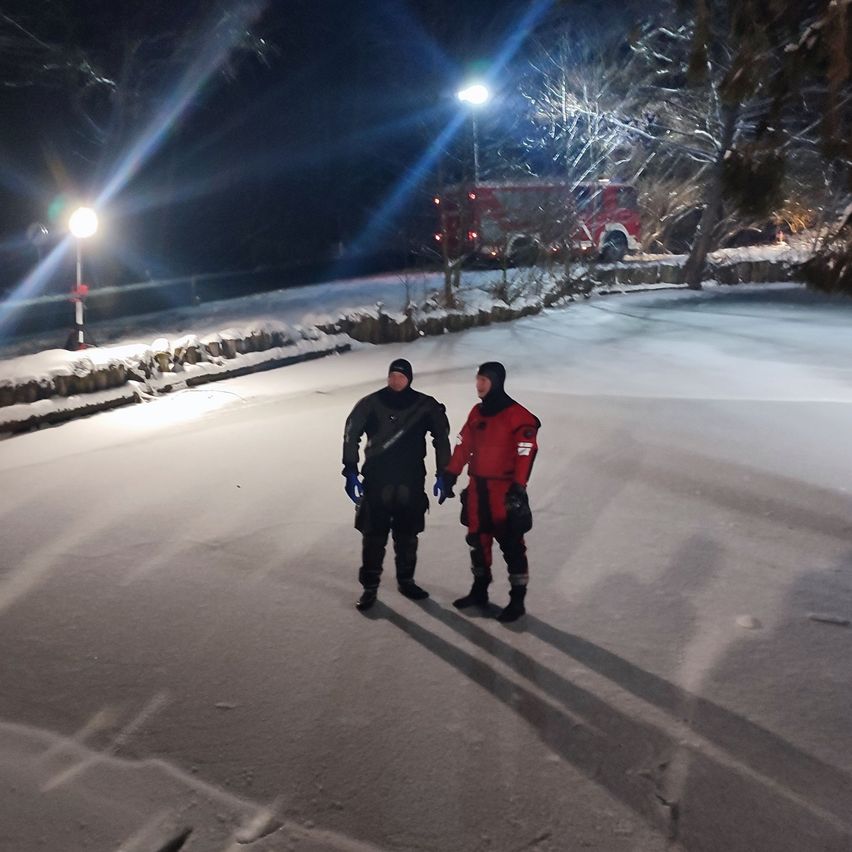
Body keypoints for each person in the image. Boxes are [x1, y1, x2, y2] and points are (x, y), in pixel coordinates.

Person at [342, 358, 453, 611]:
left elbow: (441, 439)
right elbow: (351, 434)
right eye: (392, 375)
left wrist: (444, 473)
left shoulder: (425, 405)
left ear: (409, 378)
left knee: (407, 536)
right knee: (373, 537)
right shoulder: (370, 403)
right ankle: (369, 587)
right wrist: (350, 470)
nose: (396, 380)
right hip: (377, 481)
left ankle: (406, 580)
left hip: (410, 480)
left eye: (401, 376)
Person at [443, 362, 540, 623]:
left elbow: (525, 450)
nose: (479, 384)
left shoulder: (517, 415)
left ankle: (517, 600)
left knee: (511, 545)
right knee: (477, 541)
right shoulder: (477, 412)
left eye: (484, 380)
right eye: (478, 379)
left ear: (496, 381)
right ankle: (479, 591)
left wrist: (519, 486)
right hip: (477, 489)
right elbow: (464, 444)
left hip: (504, 490)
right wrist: (450, 473)